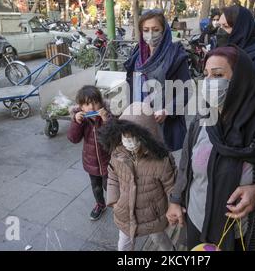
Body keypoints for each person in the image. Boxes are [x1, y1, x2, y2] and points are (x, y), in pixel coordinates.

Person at [166, 46, 255, 251]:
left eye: (217, 75)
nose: (208, 83)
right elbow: (185, 165)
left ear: (240, 79)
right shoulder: (203, 118)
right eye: (205, 75)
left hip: (244, 235)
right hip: (197, 224)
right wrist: (176, 200)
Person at [98, 102, 176, 251]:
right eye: (125, 137)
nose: (129, 141)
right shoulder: (118, 152)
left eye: (134, 137)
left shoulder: (161, 161)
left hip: (153, 215)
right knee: (124, 244)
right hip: (125, 213)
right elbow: (113, 175)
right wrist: (114, 200)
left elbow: (171, 185)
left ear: (148, 136)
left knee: (160, 238)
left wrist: (173, 206)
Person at [124, 10, 190, 152]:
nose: (150, 34)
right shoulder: (137, 54)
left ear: (164, 30)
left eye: (155, 30)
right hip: (139, 118)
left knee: (162, 165)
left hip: (163, 123)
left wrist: (168, 110)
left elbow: (186, 90)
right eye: (146, 30)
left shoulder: (175, 55)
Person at [217, 5, 255, 109]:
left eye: (226, 26)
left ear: (241, 28)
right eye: (219, 26)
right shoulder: (225, 53)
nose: (220, 32)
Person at [67, 86, 111, 221]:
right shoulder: (82, 120)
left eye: (95, 102)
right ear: (81, 107)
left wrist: (106, 121)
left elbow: (114, 137)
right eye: (86, 104)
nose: (91, 107)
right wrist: (76, 122)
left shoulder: (108, 115)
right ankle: (100, 204)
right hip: (91, 161)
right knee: (96, 187)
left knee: (109, 185)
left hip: (108, 160)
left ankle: (118, 205)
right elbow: (73, 139)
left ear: (101, 102)